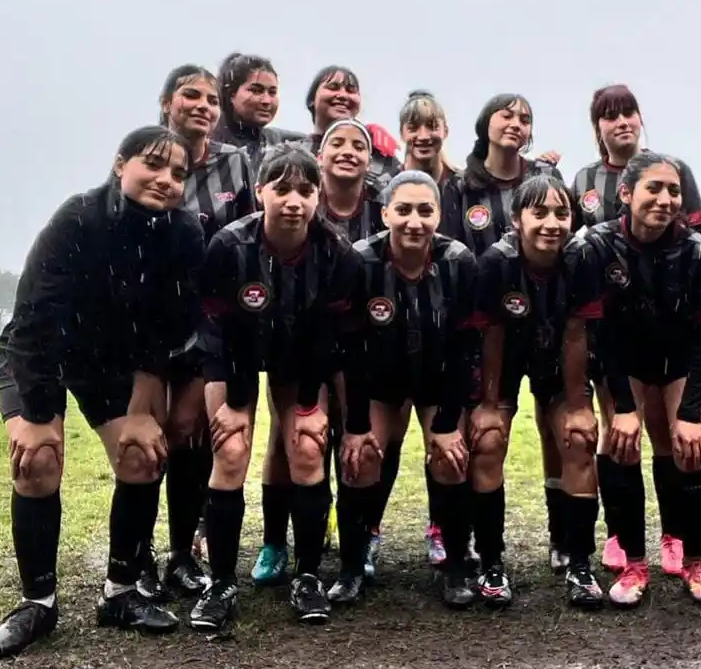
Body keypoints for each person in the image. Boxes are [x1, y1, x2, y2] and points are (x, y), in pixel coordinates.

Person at [0, 125, 204, 659]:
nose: (167, 179)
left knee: (144, 454)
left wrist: (140, 405)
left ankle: (121, 592)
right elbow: (34, 320)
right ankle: (37, 601)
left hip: (109, 364)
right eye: (154, 164)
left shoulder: (183, 233)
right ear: (120, 162)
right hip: (39, 355)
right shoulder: (77, 218)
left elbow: (168, 331)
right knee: (38, 460)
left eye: (179, 173)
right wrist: (36, 415)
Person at [191, 144, 359, 629]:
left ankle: (307, 576)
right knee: (231, 448)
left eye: (306, 191)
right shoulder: (229, 246)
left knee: (307, 446)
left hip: (299, 356)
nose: (293, 201)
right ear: (260, 191)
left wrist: (310, 404)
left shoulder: (335, 252)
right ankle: (221, 582)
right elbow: (217, 330)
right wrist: (235, 403)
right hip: (235, 352)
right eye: (281, 189)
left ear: (319, 196)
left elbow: (325, 340)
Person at [569, 84, 701, 578]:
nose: (622, 121)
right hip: (617, 345)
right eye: (610, 115)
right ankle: (624, 544)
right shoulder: (586, 189)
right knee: (619, 435)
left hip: (672, 338)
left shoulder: (674, 181)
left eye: (629, 111)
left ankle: (678, 540)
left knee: (678, 439)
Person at [583, 151, 701, 607]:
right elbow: (599, 333)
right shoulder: (598, 246)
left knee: (686, 447)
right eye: (654, 188)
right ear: (626, 194)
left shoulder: (700, 254)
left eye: (673, 190)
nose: (665, 199)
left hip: (679, 362)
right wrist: (624, 407)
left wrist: (689, 414)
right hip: (621, 361)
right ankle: (632, 563)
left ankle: (693, 559)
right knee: (621, 444)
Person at [331, 170, 481, 608]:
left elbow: (464, 349)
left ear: (438, 215)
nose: (414, 221)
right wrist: (356, 425)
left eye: (425, 210)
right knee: (360, 460)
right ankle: (351, 568)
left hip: (438, 377)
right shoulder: (360, 262)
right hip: (379, 378)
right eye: (404, 210)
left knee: (452, 460)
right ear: (385, 213)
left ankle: (455, 570)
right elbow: (351, 352)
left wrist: (450, 423)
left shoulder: (458, 263)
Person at [438, 92, 570, 572]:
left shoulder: (545, 178)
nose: (516, 123)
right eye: (506, 114)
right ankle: (473, 542)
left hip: (547, 323)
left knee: (561, 433)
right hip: (484, 326)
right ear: (484, 123)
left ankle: (564, 539)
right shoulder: (460, 186)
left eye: (525, 118)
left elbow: (567, 238)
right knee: (486, 433)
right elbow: (447, 249)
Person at [147, 64, 258, 601]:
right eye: (191, 95)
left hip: (205, 319)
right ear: (167, 101)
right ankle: (137, 554)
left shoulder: (236, 163)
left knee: (189, 433)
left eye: (212, 99)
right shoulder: (149, 156)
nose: (203, 106)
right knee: (146, 438)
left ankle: (181, 554)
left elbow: (249, 237)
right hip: (146, 319)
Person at [471, 175, 606, 608]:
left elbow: (575, 335)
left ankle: (579, 563)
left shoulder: (580, 259)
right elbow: (491, 335)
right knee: (488, 440)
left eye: (562, 213)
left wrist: (580, 406)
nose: (552, 223)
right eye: (540, 212)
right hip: (504, 362)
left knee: (580, 438)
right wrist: (490, 404)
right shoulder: (496, 262)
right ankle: (490, 562)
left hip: (556, 360)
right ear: (516, 219)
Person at [213, 52, 305, 167]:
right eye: (256, 90)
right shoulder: (204, 144)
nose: (267, 101)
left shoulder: (280, 143)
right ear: (231, 94)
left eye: (272, 92)